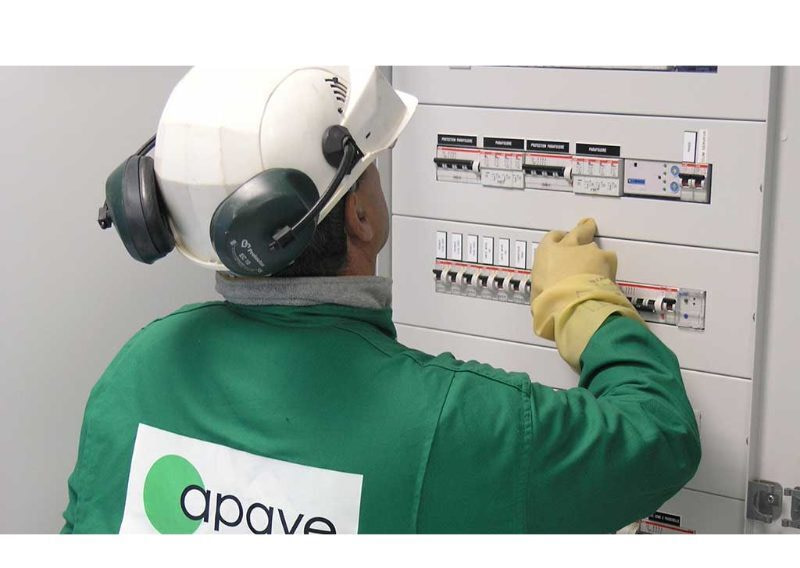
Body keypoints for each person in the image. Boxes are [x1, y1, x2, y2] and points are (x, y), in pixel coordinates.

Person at [62, 66, 700, 534]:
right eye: (370, 168)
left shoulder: (138, 368)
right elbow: (660, 436)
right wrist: (582, 302)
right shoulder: (450, 424)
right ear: (359, 216)